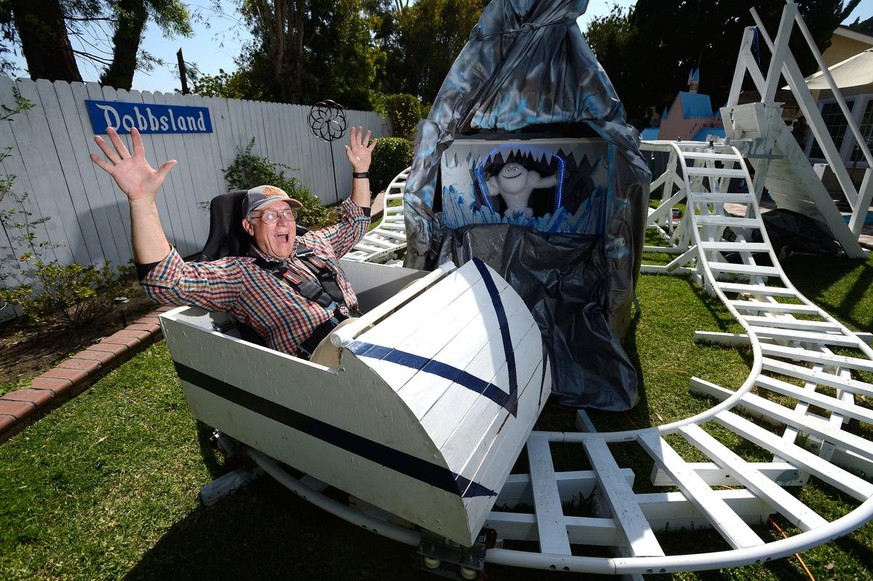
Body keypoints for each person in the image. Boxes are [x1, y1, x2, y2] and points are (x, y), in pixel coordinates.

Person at [90, 125, 376, 359]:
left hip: (365, 331)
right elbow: (165, 281)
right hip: (327, 362)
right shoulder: (239, 275)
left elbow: (356, 224)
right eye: (270, 215)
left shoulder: (315, 242)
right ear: (248, 226)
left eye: (287, 213)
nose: (283, 221)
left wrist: (360, 171)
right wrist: (142, 201)